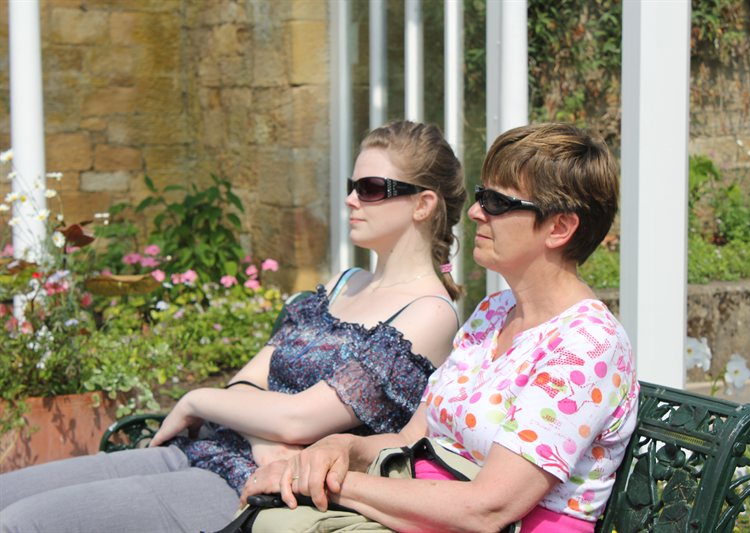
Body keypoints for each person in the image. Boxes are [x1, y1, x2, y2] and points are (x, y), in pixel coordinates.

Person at [0, 120, 467, 533]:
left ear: (422, 204)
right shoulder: (344, 283)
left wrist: (197, 399)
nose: (350, 199)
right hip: (215, 449)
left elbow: (301, 417)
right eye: (352, 184)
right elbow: (248, 380)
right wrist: (260, 436)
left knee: (20, 523)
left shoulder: (428, 313)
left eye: (369, 188)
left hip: (257, 497)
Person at [243, 123, 639, 532]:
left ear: (559, 227)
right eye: (482, 195)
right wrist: (341, 447)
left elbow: (487, 509)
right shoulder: (495, 311)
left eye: (497, 202)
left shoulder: (587, 346)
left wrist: (330, 485)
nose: (474, 211)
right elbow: (411, 438)